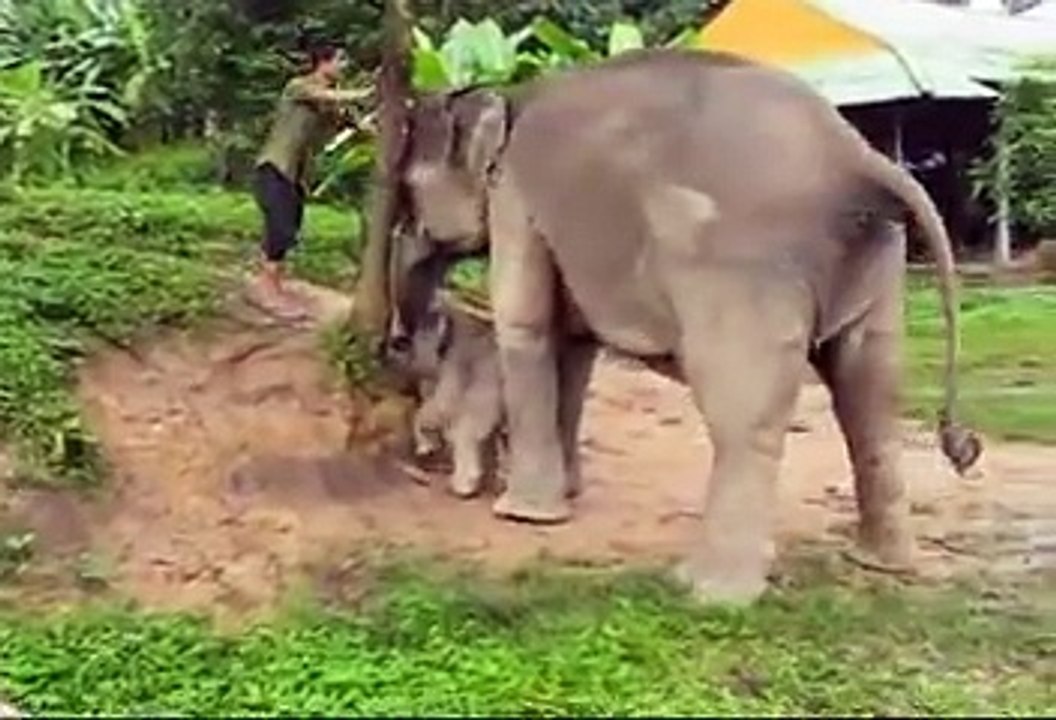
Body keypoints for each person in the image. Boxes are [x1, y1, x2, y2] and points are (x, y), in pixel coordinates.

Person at [251, 43, 365, 319]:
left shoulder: (328, 101)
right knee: (280, 229)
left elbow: (353, 122)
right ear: (322, 63)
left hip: (295, 175)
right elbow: (328, 96)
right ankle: (267, 290)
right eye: (340, 60)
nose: (344, 66)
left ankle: (272, 284)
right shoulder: (298, 87)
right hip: (274, 168)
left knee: (289, 230)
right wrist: (368, 92)